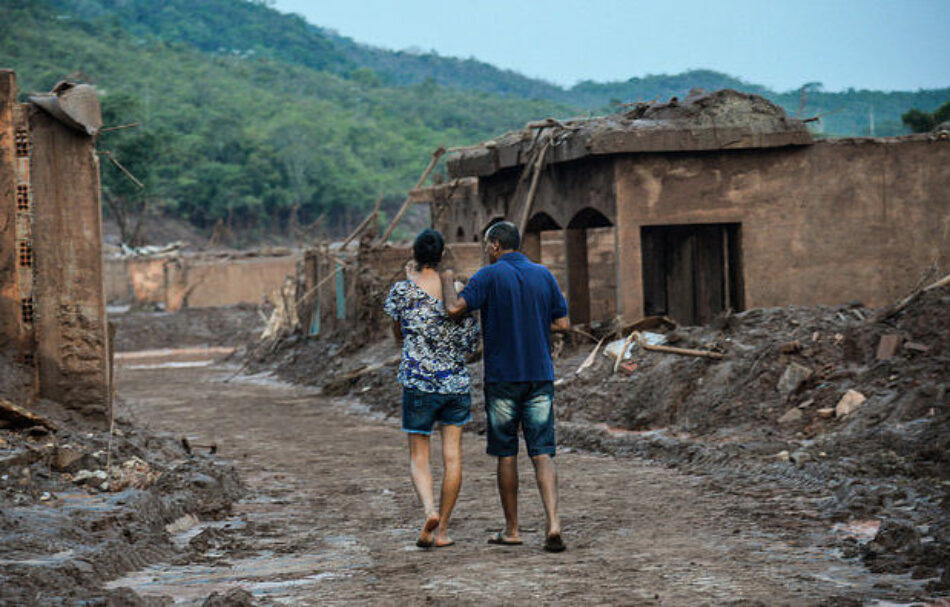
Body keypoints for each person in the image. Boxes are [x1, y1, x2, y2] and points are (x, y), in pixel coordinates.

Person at [441, 221, 570, 552]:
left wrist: (446, 280)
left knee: (507, 453)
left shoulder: (488, 275)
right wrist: (533, 324)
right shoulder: (544, 275)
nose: (487, 250)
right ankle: (553, 523)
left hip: (503, 379)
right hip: (539, 375)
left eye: (487, 245)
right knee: (542, 451)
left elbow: (455, 309)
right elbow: (563, 323)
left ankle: (512, 529)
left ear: (496, 245)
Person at [383, 229, 480, 548]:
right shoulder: (458, 291)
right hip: (455, 384)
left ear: (414, 253)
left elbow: (397, 333)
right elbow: (470, 344)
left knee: (419, 455)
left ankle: (429, 510)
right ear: (442, 254)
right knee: (453, 457)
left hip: (418, 383)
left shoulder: (401, 291)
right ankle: (444, 531)